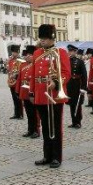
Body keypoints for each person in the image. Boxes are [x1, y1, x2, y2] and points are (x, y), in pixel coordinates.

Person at [29, 24, 71, 168]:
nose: (42, 41)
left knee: (55, 126)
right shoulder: (37, 53)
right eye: (41, 38)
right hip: (41, 93)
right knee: (46, 127)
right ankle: (47, 155)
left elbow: (66, 73)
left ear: (52, 38)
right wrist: (32, 91)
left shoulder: (61, 52)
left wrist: (56, 82)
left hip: (54, 94)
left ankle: (56, 157)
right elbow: (34, 74)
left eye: (45, 38)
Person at [16, 46, 40, 139]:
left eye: (30, 55)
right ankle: (30, 130)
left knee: (35, 113)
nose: (27, 56)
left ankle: (36, 130)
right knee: (28, 112)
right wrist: (17, 91)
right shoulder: (22, 65)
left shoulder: (36, 64)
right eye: (27, 55)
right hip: (24, 91)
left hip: (32, 92)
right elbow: (19, 79)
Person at [66, 45, 87, 129]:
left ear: (75, 52)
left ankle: (78, 122)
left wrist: (83, 88)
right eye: (69, 51)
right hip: (69, 84)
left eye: (72, 51)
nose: (70, 52)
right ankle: (73, 122)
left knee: (77, 104)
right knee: (71, 104)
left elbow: (84, 76)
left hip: (77, 84)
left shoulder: (80, 62)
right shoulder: (66, 61)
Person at [7, 45, 23, 119]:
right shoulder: (10, 60)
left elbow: (21, 71)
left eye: (15, 52)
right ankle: (16, 114)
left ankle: (20, 114)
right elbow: (9, 71)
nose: (13, 54)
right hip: (12, 82)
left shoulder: (21, 60)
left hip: (18, 82)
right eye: (13, 52)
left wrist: (16, 75)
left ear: (18, 52)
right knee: (14, 98)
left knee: (18, 99)